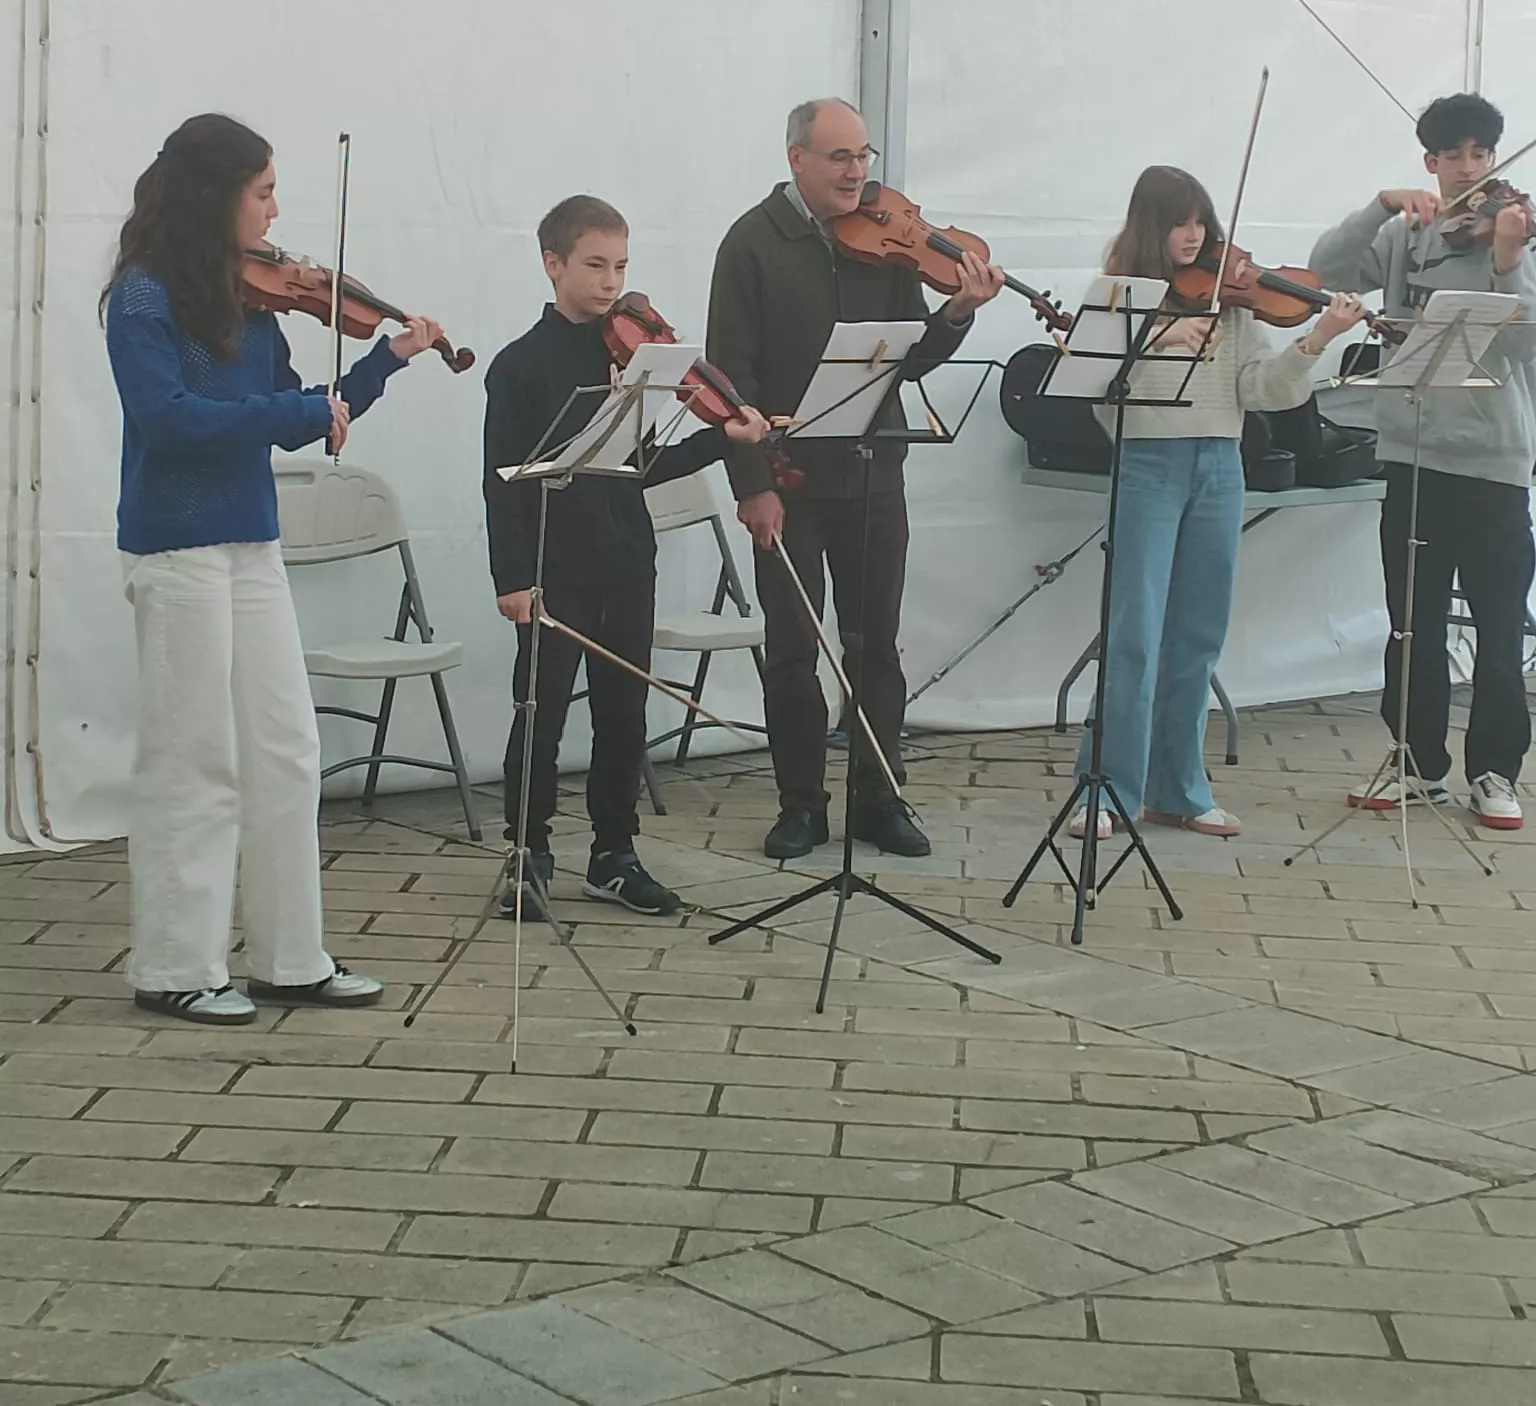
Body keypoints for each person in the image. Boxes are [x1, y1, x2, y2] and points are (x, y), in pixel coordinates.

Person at [103, 114, 444, 1026]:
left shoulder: (253, 304)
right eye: (262, 192)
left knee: (287, 750)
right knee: (195, 756)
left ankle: (292, 957)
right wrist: (290, 414)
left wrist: (384, 363)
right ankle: (177, 964)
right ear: (216, 196)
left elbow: (306, 409)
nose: (277, 211)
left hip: (249, 539)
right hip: (175, 545)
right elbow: (172, 419)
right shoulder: (142, 298)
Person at [706, 98, 1005, 861]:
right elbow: (727, 379)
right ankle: (800, 805)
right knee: (793, 649)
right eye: (840, 157)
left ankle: (879, 797)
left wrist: (959, 314)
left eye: (865, 156)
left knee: (877, 646)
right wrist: (753, 486)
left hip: (875, 472)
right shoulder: (750, 244)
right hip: (789, 478)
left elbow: (911, 358)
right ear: (796, 158)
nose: (857, 173)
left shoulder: (883, 244)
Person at [484, 195, 769, 918]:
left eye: (621, 267)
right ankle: (529, 852)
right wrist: (511, 577)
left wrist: (720, 437)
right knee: (540, 711)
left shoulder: (634, 360)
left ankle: (615, 853)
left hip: (624, 557)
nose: (612, 284)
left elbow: (642, 465)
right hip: (554, 563)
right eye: (595, 266)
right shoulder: (519, 366)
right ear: (553, 265)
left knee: (623, 713)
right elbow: (500, 480)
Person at [1074, 165, 1365, 842]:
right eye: (1180, 222)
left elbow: (1261, 389)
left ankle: (1177, 789)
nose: (1195, 235)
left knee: (1198, 634)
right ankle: (1108, 788)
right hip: (1147, 464)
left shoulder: (1231, 300)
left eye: (1202, 221)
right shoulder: (1120, 296)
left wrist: (1316, 341)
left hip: (1219, 465)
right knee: (1135, 635)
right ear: (1152, 225)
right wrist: (1154, 344)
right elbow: (1096, 399)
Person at [1309, 92, 1536, 831]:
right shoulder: (1411, 236)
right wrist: (1378, 207)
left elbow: (1520, 346)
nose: (1470, 170)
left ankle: (1496, 770)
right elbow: (1324, 270)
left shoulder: (1520, 238)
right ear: (1431, 164)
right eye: (1454, 157)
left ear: (1494, 158)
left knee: (1500, 628)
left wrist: (1506, 262)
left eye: (1482, 154)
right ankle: (1416, 761)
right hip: (1411, 455)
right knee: (1413, 623)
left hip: (1494, 460)